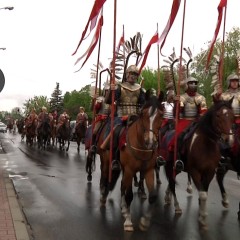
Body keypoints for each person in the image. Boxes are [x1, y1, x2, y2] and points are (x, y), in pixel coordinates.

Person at [103, 64, 146, 171]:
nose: (133, 76)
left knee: (149, 132)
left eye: (135, 74)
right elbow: (108, 101)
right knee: (115, 132)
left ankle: (152, 157)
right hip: (121, 116)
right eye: (131, 73)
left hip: (135, 117)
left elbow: (143, 104)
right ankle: (115, 159)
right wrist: (110, 91)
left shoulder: (140, 89)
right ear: (127, 74)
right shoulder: (120, 87)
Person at [167, 76, 207, 171]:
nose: (193, 85)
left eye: (195, 83)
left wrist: (200, 118)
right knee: (179, 136)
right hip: (184, 121)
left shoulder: (201, 98)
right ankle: (178, 158)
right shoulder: (182, 98)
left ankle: (218, 158)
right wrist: (177, 104)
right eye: (191, 83)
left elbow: (204, 111)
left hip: (197, 121)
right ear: (187, 85)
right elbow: (177, 113)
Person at [90, 82, 111, 152]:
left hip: (110, 119)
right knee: (95, 131)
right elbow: (95, 109)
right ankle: (93, 145)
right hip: (101, 119)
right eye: (106, 90)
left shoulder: (112, 100)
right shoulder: (100, 99)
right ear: (104, 91)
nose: (108, 92)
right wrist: (95, 101)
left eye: (109, 91)